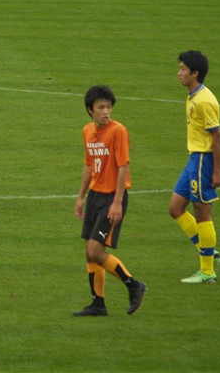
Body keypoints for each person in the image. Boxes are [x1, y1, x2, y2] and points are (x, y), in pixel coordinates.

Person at [73, 85, 146, 317]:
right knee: (89, 251)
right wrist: (81, 197)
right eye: (101, 107)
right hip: (95, 196)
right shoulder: (87, 131)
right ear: (90, 110)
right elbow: (88, 165)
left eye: (109, 107)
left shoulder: (118, 131)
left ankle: (134, 285)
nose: (106, 112)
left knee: (96, 250)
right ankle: (98, 304)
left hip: (112, 197)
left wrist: (117, 202)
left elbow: (123, 166)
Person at [169, 51, 220, 284]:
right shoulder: (193, 95)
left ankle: (207, 272)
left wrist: (217, 170)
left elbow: (217, 137)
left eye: (183, 69)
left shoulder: (204, 101)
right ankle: (208, 249)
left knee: (202, 212)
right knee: (175, 208)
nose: (179, 73)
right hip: (194, 158)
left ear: (195, 73)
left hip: (203, 159)